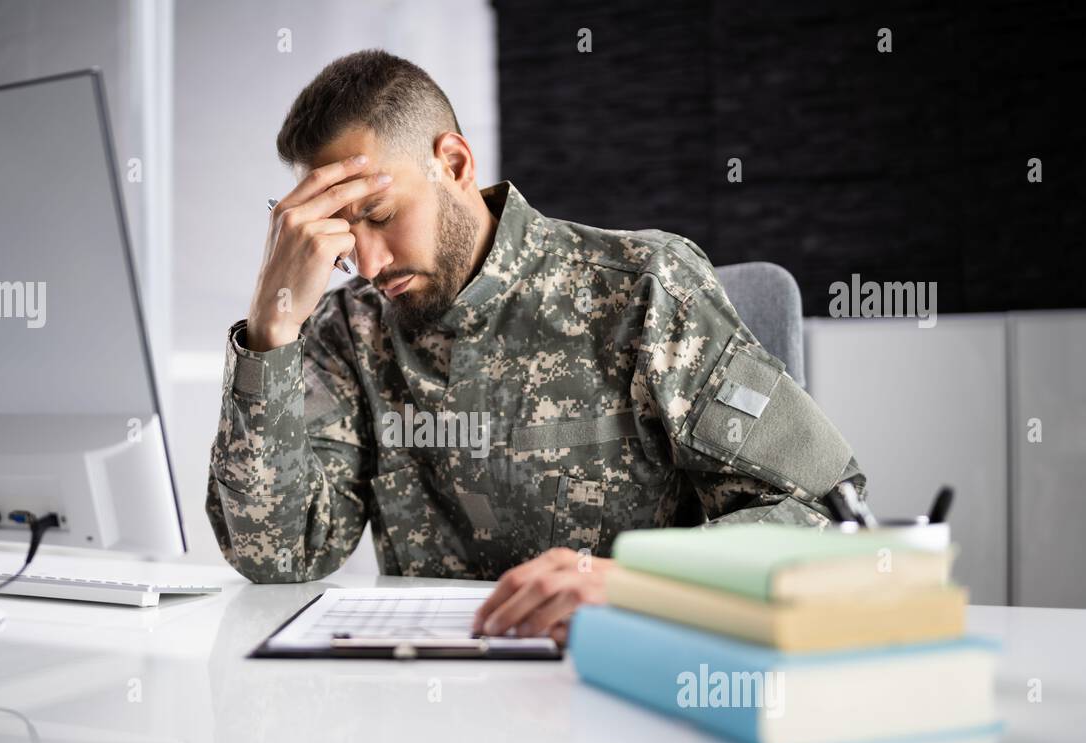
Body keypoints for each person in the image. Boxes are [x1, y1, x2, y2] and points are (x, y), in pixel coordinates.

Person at [206, 50, 865, 642]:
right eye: (344, 235)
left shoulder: (644, 290)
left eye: (379, 216)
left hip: (622, 697)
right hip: (424, 723)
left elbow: (827, 516)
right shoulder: (350, 330)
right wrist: (272, 328)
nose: (370, 262)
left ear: (454, 164)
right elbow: (278, 554)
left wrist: (634, 581)